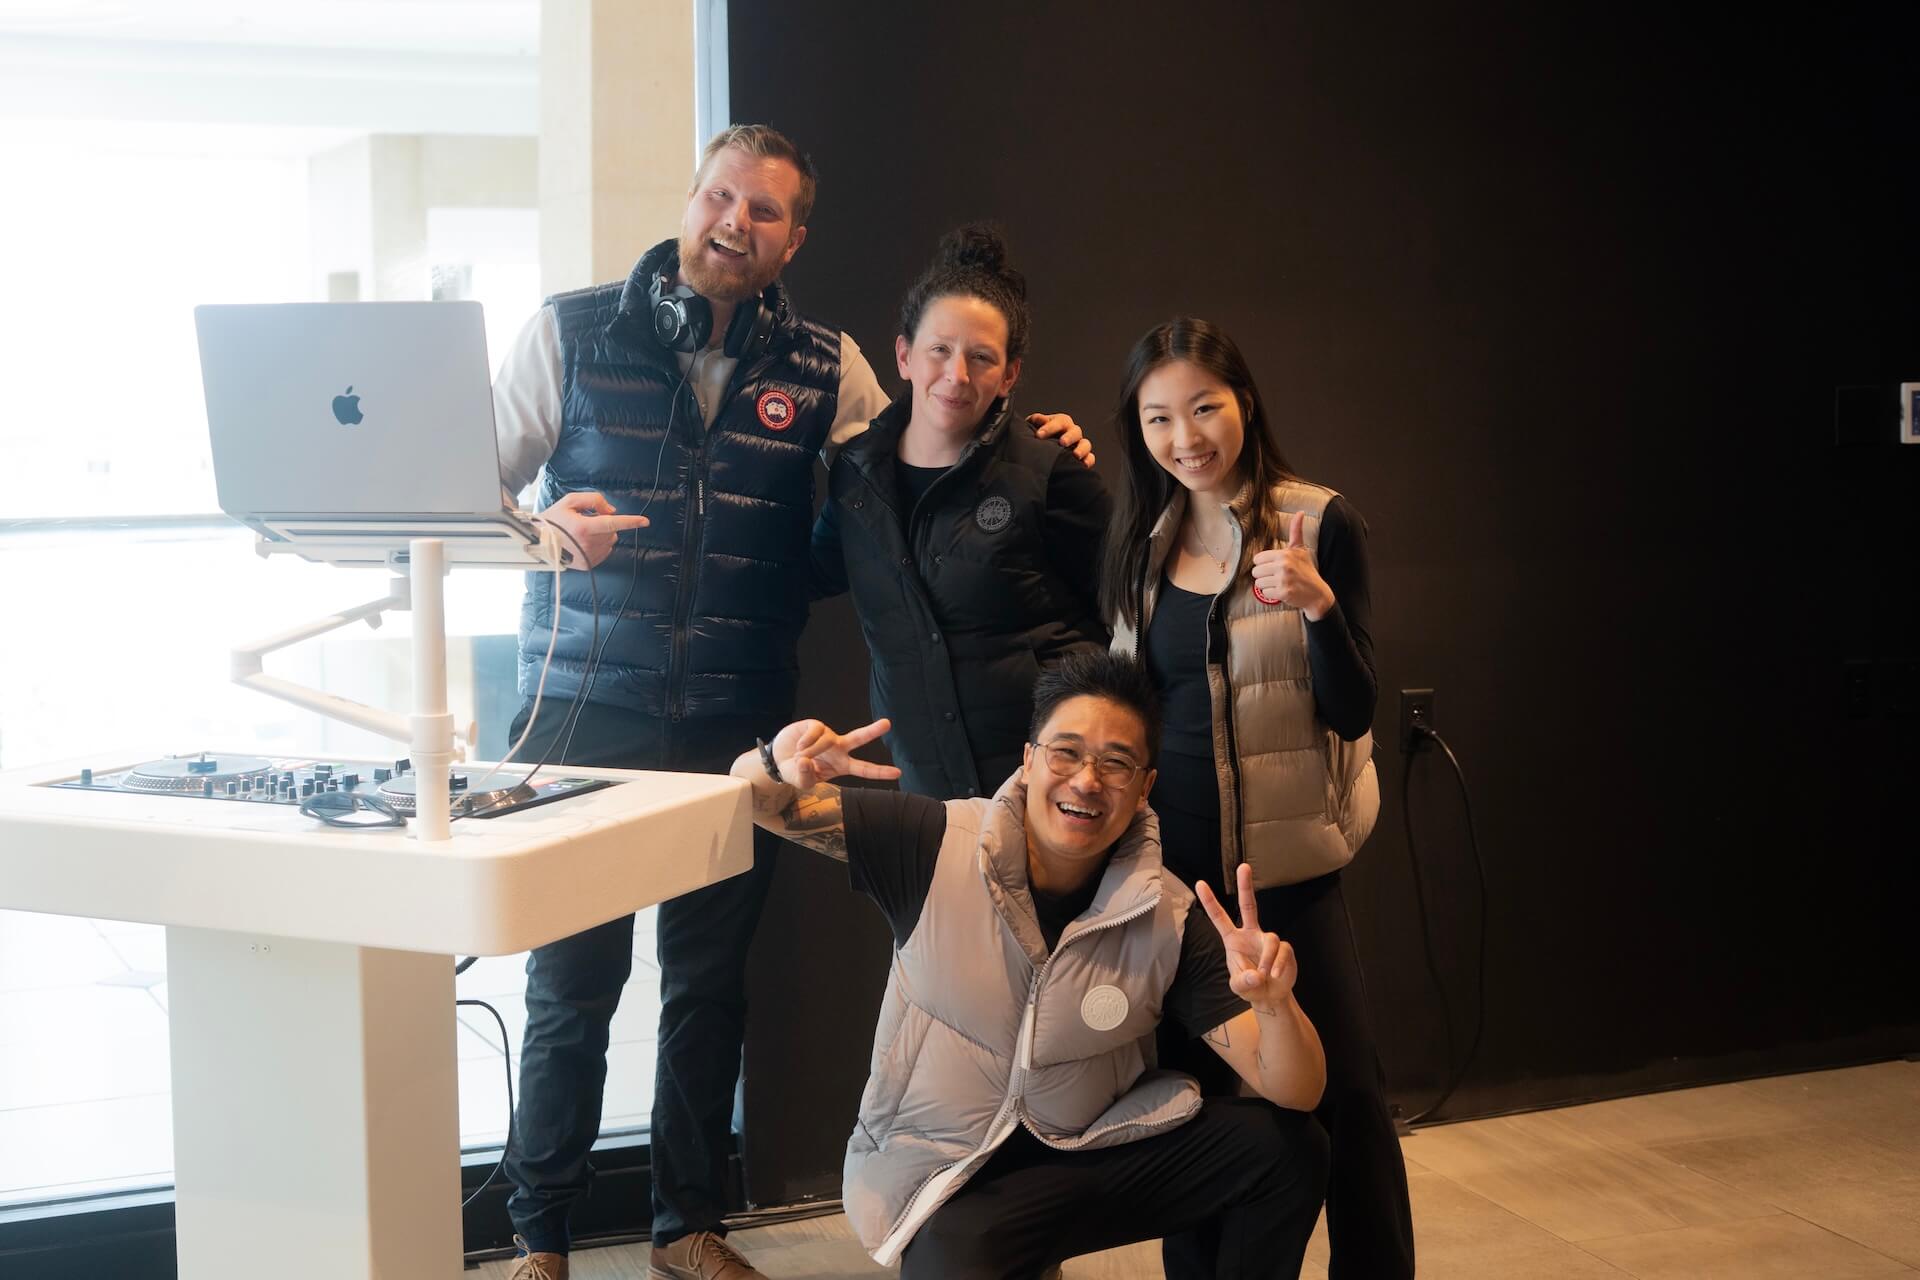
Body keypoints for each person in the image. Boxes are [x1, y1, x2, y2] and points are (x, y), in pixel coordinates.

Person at [490, 126, 1092, 1280]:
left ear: (793, 237)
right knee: (572, 985)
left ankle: (686, 1225)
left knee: (710, 981)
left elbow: (928, 444)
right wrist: (541, 530)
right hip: (582, 711)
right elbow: (463, 479)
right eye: (721, 196)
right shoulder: (569, 331)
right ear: (691, 198)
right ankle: (540, 1238)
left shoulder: (828, 365)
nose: (734, 222)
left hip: (737, 718)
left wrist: (1036, 443)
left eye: (763, 212)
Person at [732, 652, 1331, 1278]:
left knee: (1288, 1149)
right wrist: (775, 762)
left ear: (1145, 786)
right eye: (1065, 752)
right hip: (951, 1176)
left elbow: (1297, 1088)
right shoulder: (933, 843)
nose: (1087, 780)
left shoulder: (1169, 913)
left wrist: (1275, 1005)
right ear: (1029, 759)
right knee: (965, 1254)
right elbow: (756, 800)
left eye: (1116, 762)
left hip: (1086, 1147)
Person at [1098, 318, 1412, 1279]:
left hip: (1288, 874)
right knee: (1192, 1107)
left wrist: (1317, 604)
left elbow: (1356, 711)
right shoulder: (1139, 541)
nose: (1185, 436)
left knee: (1345, 1101)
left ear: (1243, 404)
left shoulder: (1316, 521)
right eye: (1159, 417)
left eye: (1204, 408)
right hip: (1179, 885)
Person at [810, 224, 1111, 800]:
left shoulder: (1051, 472)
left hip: (1050, 795)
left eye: (981, 357)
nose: (957, 375)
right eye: (939, 351)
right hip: (928, 795)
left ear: (1009, 375)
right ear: (904, 355)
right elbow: (803, 573)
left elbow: (1132, 608)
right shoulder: (856, 478)